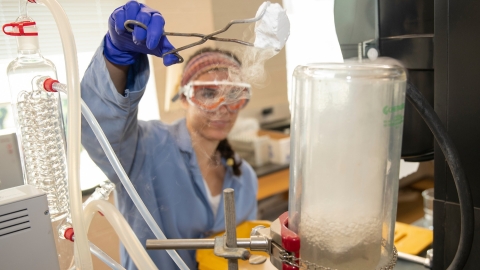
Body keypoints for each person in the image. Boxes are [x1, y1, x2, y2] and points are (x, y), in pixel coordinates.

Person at [80, 1, 258, 269]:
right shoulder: (145, 148)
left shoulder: (245, 177)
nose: (223, 108)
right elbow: (99, 130)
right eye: (208, 93)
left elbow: (248, 255)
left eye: (233, 95)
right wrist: (115, 60)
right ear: (185, 98)